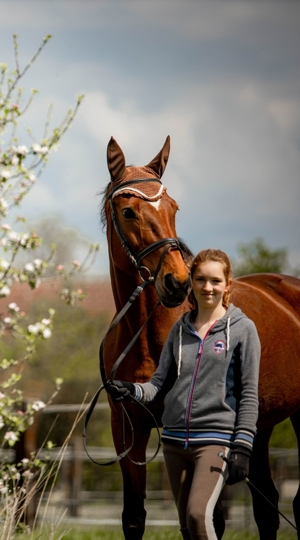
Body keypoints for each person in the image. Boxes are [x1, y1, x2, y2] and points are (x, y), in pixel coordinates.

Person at [107, 248, 261, 540]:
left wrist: (243, 446)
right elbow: (157, 385)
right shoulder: (180, 330)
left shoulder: (243, 330)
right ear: (191, 282)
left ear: (228, 284)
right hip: (174, 442)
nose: (207, 287)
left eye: (215, 281)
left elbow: (249, 394)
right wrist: (130, 390)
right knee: (187, 529)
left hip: (214, 441)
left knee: (198, 517)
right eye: (200, 279)